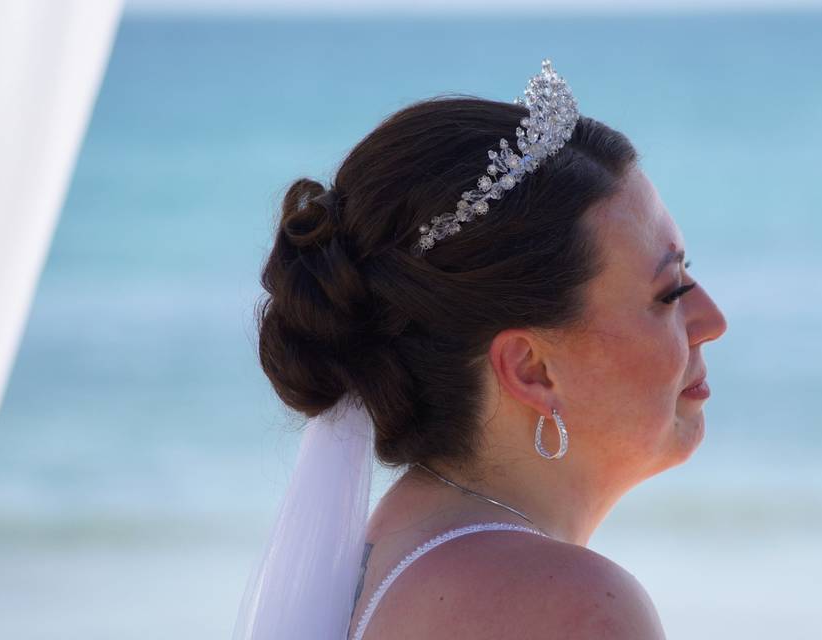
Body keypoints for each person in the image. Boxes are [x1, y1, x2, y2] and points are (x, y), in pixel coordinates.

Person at [233, 60, 728, 639]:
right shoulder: (575, 608)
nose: (712, 321)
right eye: (669, 293)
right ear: (531, 369)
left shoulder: (383, 555)